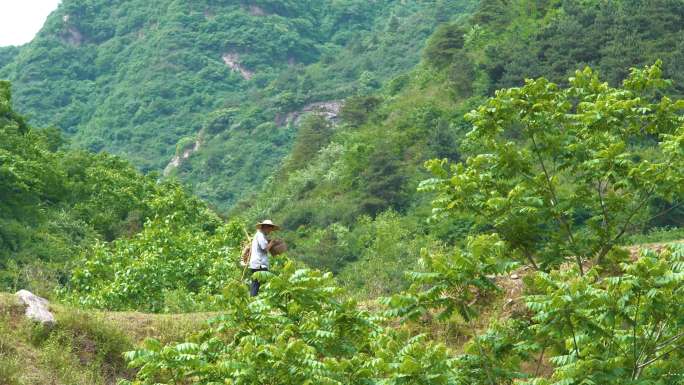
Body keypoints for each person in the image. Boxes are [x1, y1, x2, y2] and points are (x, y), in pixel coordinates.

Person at [249, 219, 279, 296]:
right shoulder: (260, 235)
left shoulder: (261, 235)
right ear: (265, 227)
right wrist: (272, 243)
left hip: (257, 263)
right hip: (259, 263)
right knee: (263, 282)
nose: (270, 231)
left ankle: (253, 298)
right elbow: (265, 249)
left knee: (256, 283)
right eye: (269, 229)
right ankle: (256, 299)